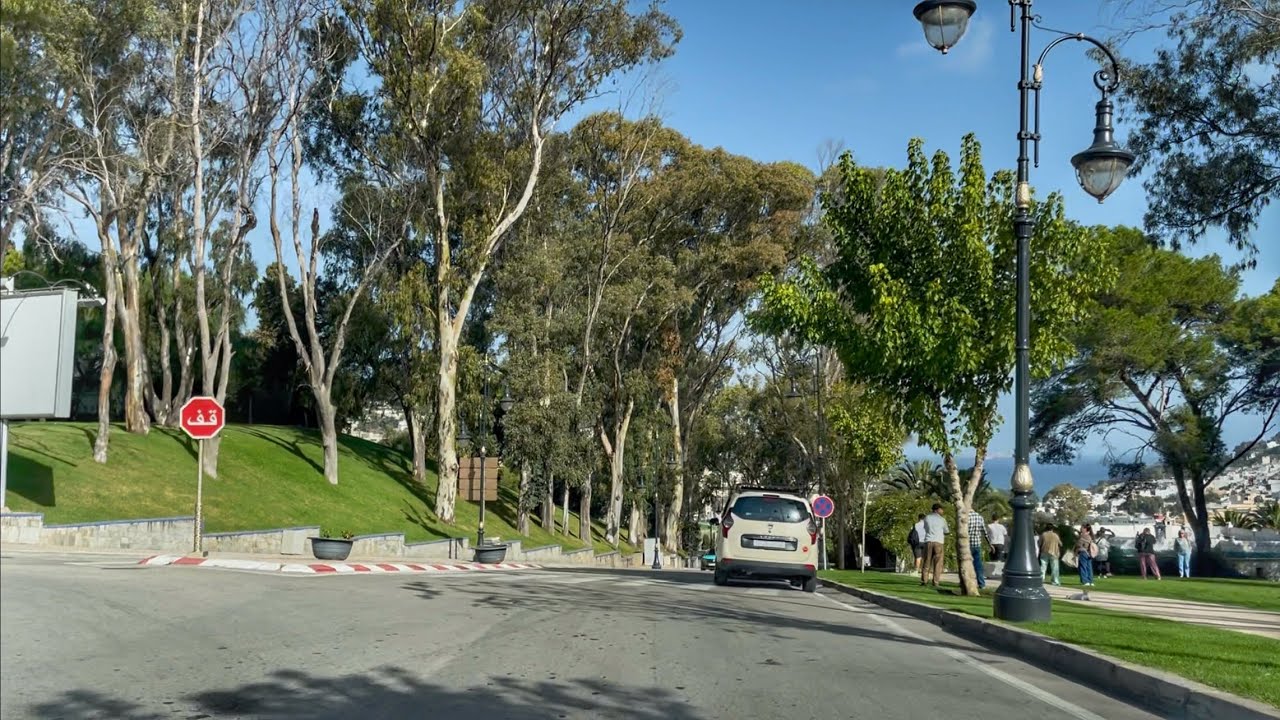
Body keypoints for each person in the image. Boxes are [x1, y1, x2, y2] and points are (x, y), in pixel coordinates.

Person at [920, 503, 948, 588]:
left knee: (926, 562)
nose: (942, 511)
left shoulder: (927, 518)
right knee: (938, 563)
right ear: (937, 510)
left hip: (928, 541)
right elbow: (946, 531)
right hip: (938, 542)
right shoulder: (942, 519)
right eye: (941, 509)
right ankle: (935, 582)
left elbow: (925, 528)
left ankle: (924, 581)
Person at [967, 509, 989, 590]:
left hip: (967, 545)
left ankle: (968, 582)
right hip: (977, 544)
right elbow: (985, 532)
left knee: (967, 565)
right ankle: (981, 584)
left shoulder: (966, 517)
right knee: (978, 565)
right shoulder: (980, 517)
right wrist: (989, 544)